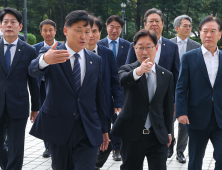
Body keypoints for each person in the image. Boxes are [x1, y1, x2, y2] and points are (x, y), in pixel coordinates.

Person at [28, 10, 110, 170]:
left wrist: (104, 128)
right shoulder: (52, 53)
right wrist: (44, 60)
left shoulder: (95, 60)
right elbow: (32, 70)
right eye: (78, 30)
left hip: (88, 126)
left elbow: (99, 96)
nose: (84, 36)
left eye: (87, 32)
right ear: (66, 31)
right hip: (59, 127)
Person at [111, 29, 174, 170]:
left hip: (157, 136)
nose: (144, 52)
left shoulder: (166, 75)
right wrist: (139, 71)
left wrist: (169, 132)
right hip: (132, 135)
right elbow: (123, 81)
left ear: (156, 48)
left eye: (148, 47)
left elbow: (168, 106)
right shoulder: (126, 69)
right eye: (140, 47)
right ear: (134, 49)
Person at [176, 15, 222, 170]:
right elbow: (181, 87)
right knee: (195, 160)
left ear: (220, 34)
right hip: (196, 117)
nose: (209, 35)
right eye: (205, 31)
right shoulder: (189, 58)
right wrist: (181, 112)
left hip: (220, 117)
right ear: (200, 33)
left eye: (213, 31)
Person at [0, 7, 40, 170]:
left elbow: (33, 80)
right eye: (5, 22)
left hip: (19, 104)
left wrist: (36, 107)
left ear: (20, 26)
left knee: (17, 145)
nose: (9, 25)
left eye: (13, 22)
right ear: (0, 26)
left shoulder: (29, 50)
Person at [85, 16, 123, 170]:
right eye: (87, 31)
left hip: (104, 106)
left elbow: (115, 80)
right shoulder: (75, 52)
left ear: (100, 33)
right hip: (82, 107)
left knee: (106, 143)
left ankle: (94, 166)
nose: (91, 35)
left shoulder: (106, 53)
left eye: (95, 31)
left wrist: (118, 102)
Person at [97, 14, 130, 161]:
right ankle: (102, 146)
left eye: (118, 27)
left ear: (121, 29)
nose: (114, 30)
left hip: (121, 89)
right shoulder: (98, 43)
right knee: (103, 119)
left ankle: (117, 148)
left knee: (117, 120)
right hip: (102, 89)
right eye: (112, 26)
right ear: (106, 26)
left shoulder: (128, 45)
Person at [125, 8, 180, 95]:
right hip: (138, 94)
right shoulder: (135, 45)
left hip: (164, 96)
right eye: (151, 21)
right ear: (145, 24)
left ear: (163, 24)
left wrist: (175, 100)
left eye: (157, 21)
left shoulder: (172, 47)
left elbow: (176, 75)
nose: (154, 24)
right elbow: (128, 70)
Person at [169, 15, 201, 162]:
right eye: (185, 25)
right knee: (168, 119)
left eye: (190, 26)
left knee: (184, 122)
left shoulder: (196, 46)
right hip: (169, 89)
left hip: (188, 91)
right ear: (177, 28)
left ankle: (180, 151)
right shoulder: (167, 45)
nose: (189, 28)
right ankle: (169, 145)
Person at [33, 19, 62, 158]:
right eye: (45, 30)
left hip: (58, 88)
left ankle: (56, 143)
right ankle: (48, 147)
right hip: (42, 87)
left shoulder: (62, 46)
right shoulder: (34, 48)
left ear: (55, 31)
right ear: (41, 32)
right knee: (45, 116)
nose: (48, 33)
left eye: (51, 29)